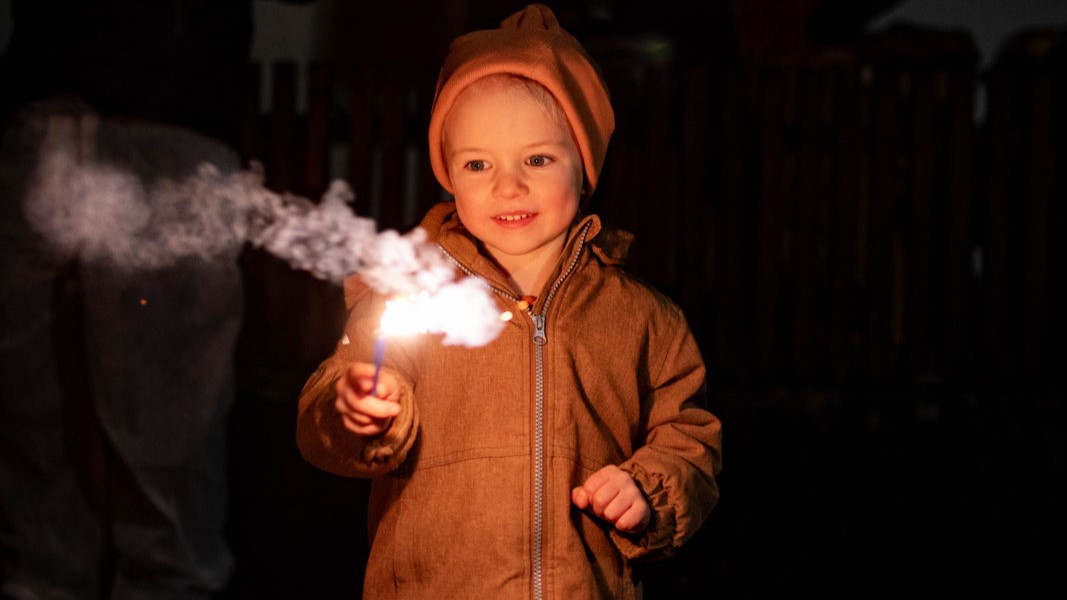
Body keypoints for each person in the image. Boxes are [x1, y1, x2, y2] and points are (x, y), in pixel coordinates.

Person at [295, 4, 722, 599]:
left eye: (538, 159)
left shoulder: (644, 319)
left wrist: (648, 490)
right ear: (449, 177)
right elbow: (331, 416)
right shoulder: (411, 294)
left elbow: (690, 437)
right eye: (477, 164)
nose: (508, 185)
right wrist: (353, 412)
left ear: (584, 166)